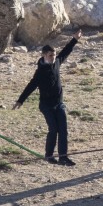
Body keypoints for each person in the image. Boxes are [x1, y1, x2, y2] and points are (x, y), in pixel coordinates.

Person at [13, 30, 82, 166]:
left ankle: (63, 157)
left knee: (63, 130)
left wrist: (75, 39)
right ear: (44, 55)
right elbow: (30, 86)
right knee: (53, 129)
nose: (53, 57)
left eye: (54, 55)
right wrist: (20, 101)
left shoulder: (56, 62)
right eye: (51, 55)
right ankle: (49, 155)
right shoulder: (40, 72)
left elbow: (66, 51)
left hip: (59, 104)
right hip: (46, 106)